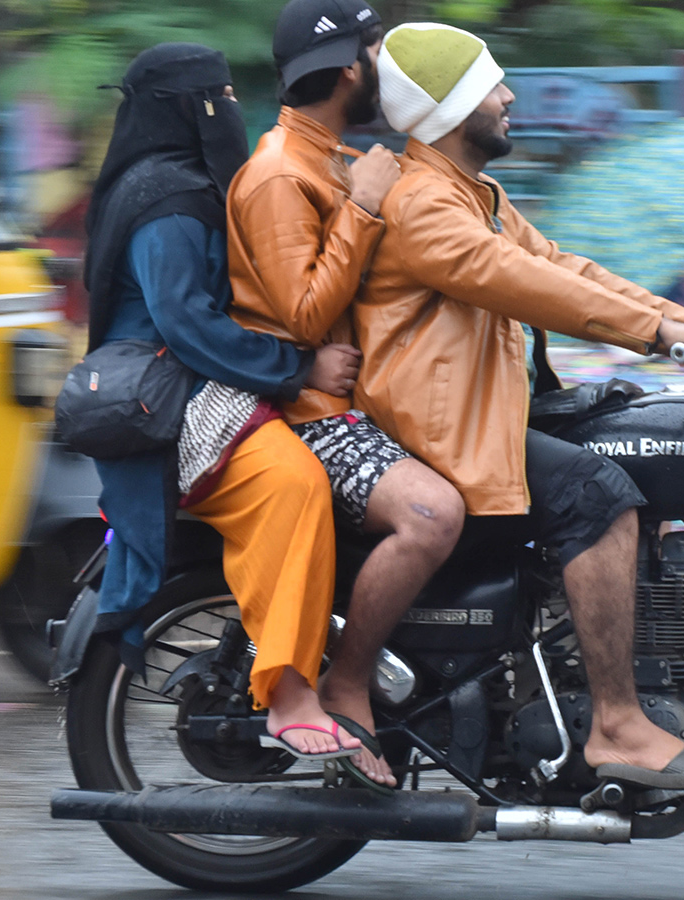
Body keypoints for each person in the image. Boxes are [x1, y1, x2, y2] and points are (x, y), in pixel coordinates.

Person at [355, 22, 684, 789]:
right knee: (599, 496)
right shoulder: (423, 207)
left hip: (484, 415)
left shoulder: (478, 195)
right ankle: (616, 723)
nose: (509, 97)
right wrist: (657, 331)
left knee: (626, 439)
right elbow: (523, 284)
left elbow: (566, 267)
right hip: (439, 437)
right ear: (450, 109)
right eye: (491, 87)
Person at [85, 43, 367, 760]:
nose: (232, 111)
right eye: (220, 97)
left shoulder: (167, 184)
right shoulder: (168, 202)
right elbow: (187, 325)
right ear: (189, 110)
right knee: (293, 483)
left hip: (200, 384)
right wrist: (298, 366)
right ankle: (289, 689)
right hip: (179, 401)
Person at [227, 0, 465, 790]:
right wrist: (362, 206)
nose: (383, 68)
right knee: (434, 514)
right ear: (349, 69)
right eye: (374, 51)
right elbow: (302, 313)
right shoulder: (276, 175)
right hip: (309, 418)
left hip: (362, 399)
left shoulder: (336, 158)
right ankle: (348, 681)